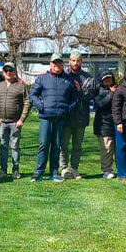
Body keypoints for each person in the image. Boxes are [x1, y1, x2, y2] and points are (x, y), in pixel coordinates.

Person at [29, 53, 79, 183]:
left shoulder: (68, 80)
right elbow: (33, 95)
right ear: (50, 64)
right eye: (54, 63)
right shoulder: (42, 79)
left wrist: (68, 108)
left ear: (63, 64)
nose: (57, 65)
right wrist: (41, 106)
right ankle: (38, 173)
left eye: (59, 63)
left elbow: (75, 98)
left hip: (60, 118)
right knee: (43, 145)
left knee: (57, 146)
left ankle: (54, 173)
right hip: (46, 117)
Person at [58, 50, 95, 179]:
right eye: (73, 60)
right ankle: (64, 168)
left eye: (78, 61)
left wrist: (79, 92)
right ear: (69, 62)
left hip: (81, 116)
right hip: (66, 117)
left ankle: (75, 168)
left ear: (81, 62)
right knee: (64, 145)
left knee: (77, 146)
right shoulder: (64, 76)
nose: (75, 63)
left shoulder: (88, 77)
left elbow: (89, 95)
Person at [0, 62, 31, 180]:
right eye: (6, 70)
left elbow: (27, 103)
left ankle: (15, 171)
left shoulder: (21, 86)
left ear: (15, 72)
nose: (8, 73)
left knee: (15, 147)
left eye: (11, 70)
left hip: (15, 122)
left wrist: (22, 119)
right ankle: (3, 171)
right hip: (2, 123)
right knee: (3, 146)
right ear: (3, 72)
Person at [92, 70, 117, 179]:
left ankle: (121, 168)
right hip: (103, 124)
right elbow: (100, 104)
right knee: (107, 148)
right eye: (105, 79)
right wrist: (111, 94)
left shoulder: (118, 89)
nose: (108, 80)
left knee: (119, 147)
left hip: (116, 123)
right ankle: (106, 170)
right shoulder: (97, 91)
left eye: (109, 78)